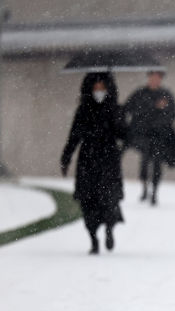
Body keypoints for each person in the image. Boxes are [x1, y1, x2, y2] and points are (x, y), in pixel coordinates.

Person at [61, 72, 126, 255]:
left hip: (109, 160)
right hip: (88, 161)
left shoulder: (115, 109)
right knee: (88, 201)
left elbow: (124, 134)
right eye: (95, 88)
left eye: (102, 88)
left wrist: (120, 120)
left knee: (110, 199)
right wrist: (66, 157)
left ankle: (109, 229)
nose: (99, 92)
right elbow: (74, 136)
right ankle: (93, 238)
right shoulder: (83, 110)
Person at [123, 71, 175, 205]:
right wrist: (150, 108)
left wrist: (163, 111)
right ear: (148, 78)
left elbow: (174, 112)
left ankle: (154, 192)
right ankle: (144, 188)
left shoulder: (166, 94)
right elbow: (128, 108)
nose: (155, 80)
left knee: (157, 164)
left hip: (159, 135)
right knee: (145, 162)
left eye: (157, 78)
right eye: (152, 78)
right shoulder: (140, 93)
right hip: (143, 136)